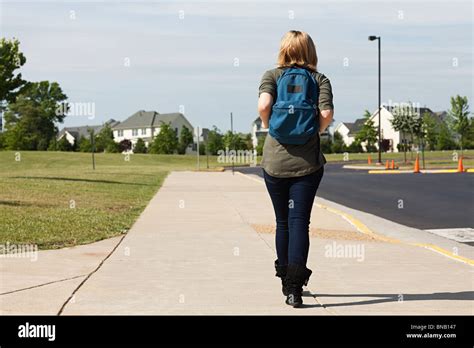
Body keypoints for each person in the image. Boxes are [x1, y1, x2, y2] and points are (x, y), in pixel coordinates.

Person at [257, 30, 334, 308]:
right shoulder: (319, 79)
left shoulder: (272, 76)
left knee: (281, 222)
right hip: (308, 164)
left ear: (284, 50)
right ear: (310, 51)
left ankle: (284, 281)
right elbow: (326, 114)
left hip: (275, 162)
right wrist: (316, 130)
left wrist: (269, 126)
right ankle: (295, 289)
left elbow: (264, 104)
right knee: (299, 221)